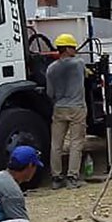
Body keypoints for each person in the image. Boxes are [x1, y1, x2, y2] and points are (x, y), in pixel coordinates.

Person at [46, 33, 87, 190]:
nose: (75, 50)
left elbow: (50, 93)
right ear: (67, 49)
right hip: (77, 108)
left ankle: (56, 178)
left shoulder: (51, 69)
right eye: (74, 47)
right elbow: (86, 77)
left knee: (56, 144)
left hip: (59, 108)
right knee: (76, 143)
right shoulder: (78, 64)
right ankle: (72, 177)